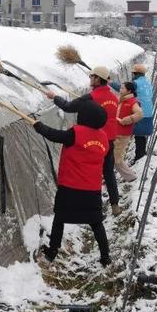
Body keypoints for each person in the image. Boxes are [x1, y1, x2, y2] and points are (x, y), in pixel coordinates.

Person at [33, 100, 111, 266]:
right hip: (92, 188)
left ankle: (51, 252)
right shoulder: (103, 138)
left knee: (60, 218)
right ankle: (105, 257)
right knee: (96, 222)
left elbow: (55, 135)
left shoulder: (77, 133)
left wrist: (39, 126)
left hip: (70, 186)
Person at [46, 66, 120, 215]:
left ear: (98, 79)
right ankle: (115, 204)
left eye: (92, 76)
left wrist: (54, 97)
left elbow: (68, 107)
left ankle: (87, 209)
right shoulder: (114, 97)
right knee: (108, 172)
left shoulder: (89, 98)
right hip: (109, 140)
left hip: (90, 141)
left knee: (89, 174)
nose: (90, 78)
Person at [114, 81, 143, 183]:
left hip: (123, 134)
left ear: (129, 90)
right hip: (115, 132)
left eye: (122, 88)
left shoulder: (132, 102)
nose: (120, 90)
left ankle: (131, 177)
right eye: (120, 88)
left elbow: (139, 114)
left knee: (117, 159)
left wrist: (127, 120)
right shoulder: (120, 100)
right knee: (112, 157)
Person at [131, 64, 154, 162]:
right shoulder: (148, 83)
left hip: (140, 112)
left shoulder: (135, 83)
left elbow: (123, 89)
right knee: (141, 135)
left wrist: (110, 83)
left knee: (139, 135)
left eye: (133, 73)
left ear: (136, 74)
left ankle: (139, 156)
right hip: (148, 112)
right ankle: (141, 154)